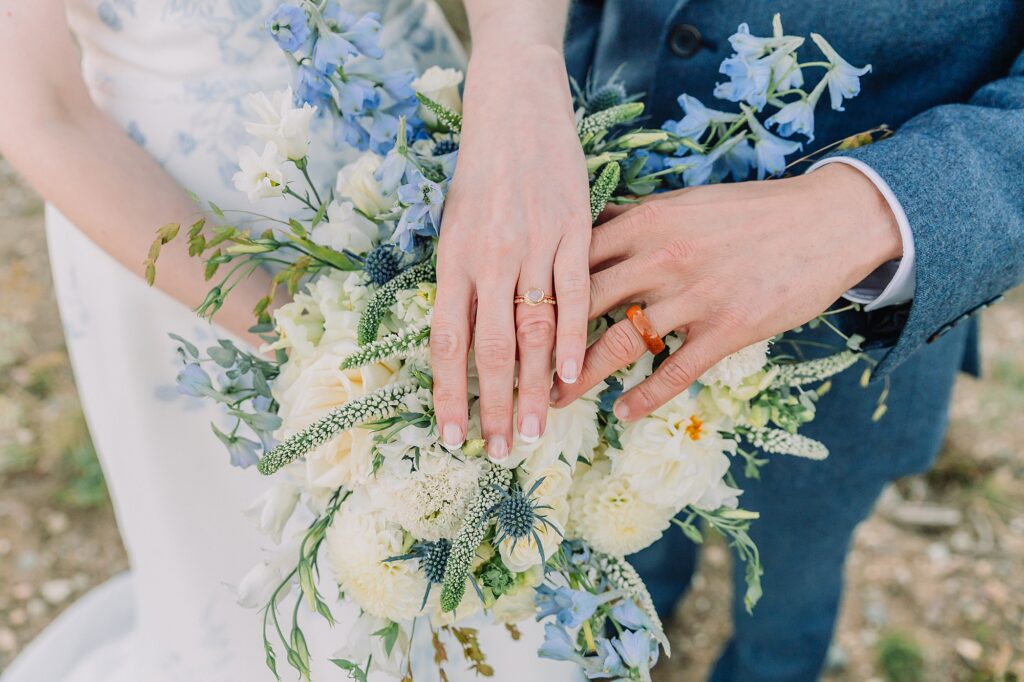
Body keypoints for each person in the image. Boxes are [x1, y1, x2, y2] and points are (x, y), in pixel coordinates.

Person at [432, 1, 1024, 680]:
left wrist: (868, 210)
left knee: (792, 578)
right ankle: (626, 633)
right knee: (617, 526)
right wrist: (518, 50)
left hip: (849, 320)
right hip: (592, 175)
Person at [0, 2, 579, 681]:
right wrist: (305, 340)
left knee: (486, 537)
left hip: (427, 147)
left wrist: (521, 63)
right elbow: (38, 110)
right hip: (177, 231)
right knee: (267, 582)